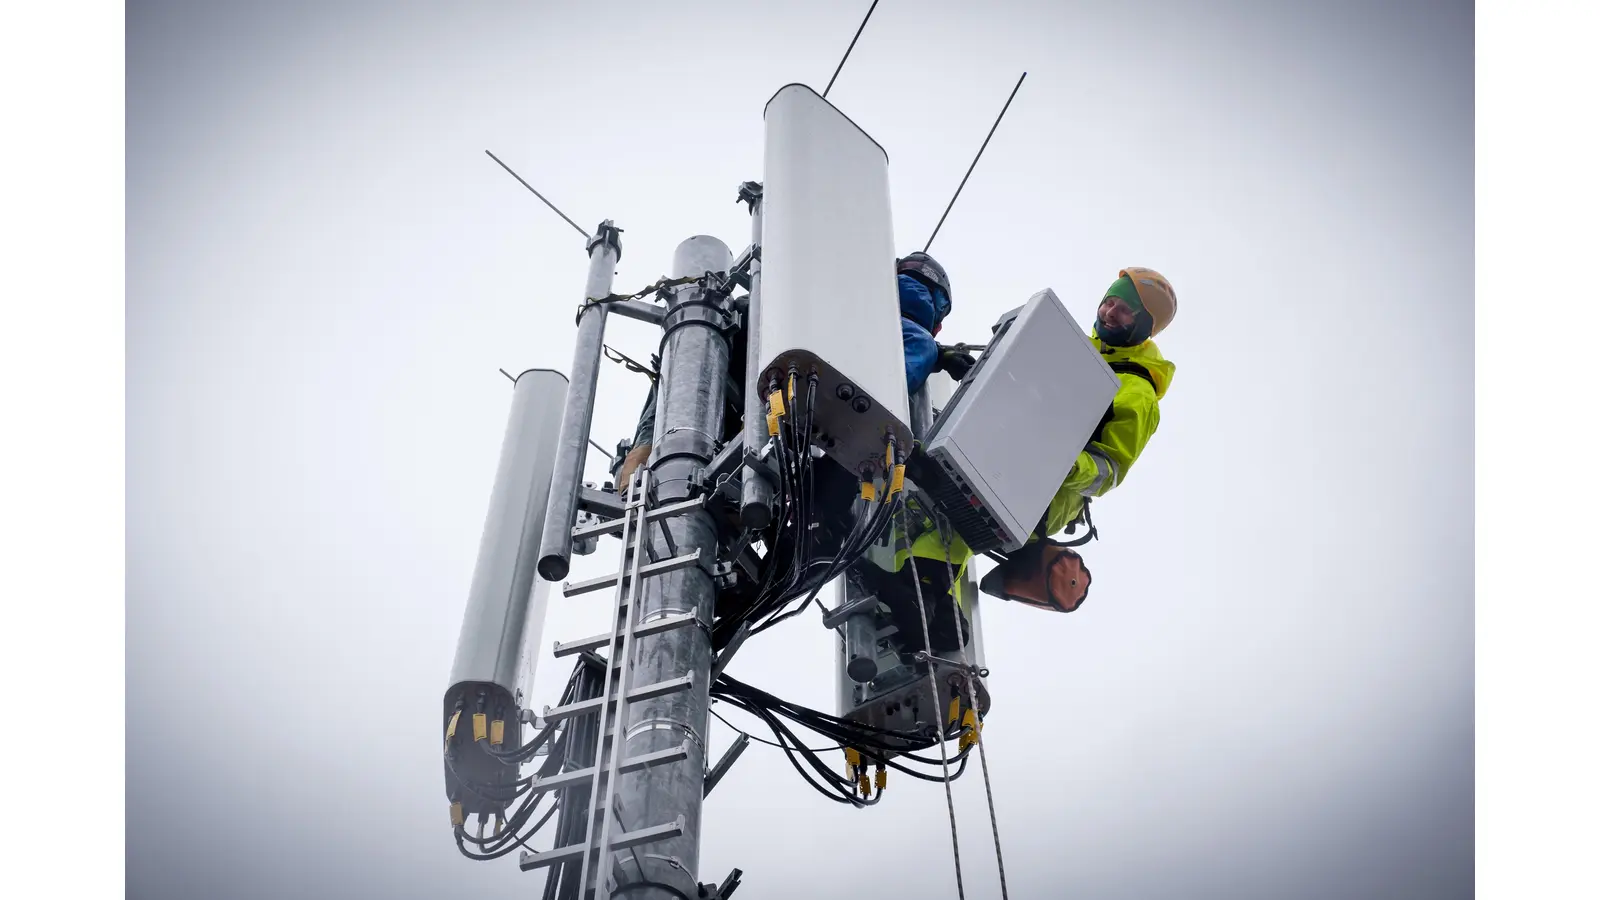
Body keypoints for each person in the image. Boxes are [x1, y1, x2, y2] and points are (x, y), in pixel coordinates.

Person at [875, 267, 1179, 643]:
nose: (1109, 313)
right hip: (1006, 458)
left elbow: (1110, 470)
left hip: (1048, 493)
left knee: (953, 510)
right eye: (1109, 302)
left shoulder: (1138, 392)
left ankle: (925, 600)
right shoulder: (1075, 351)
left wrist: (1058, 459)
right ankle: (933, 607)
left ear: (1144, 327)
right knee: (935, 499)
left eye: (1125, 311)